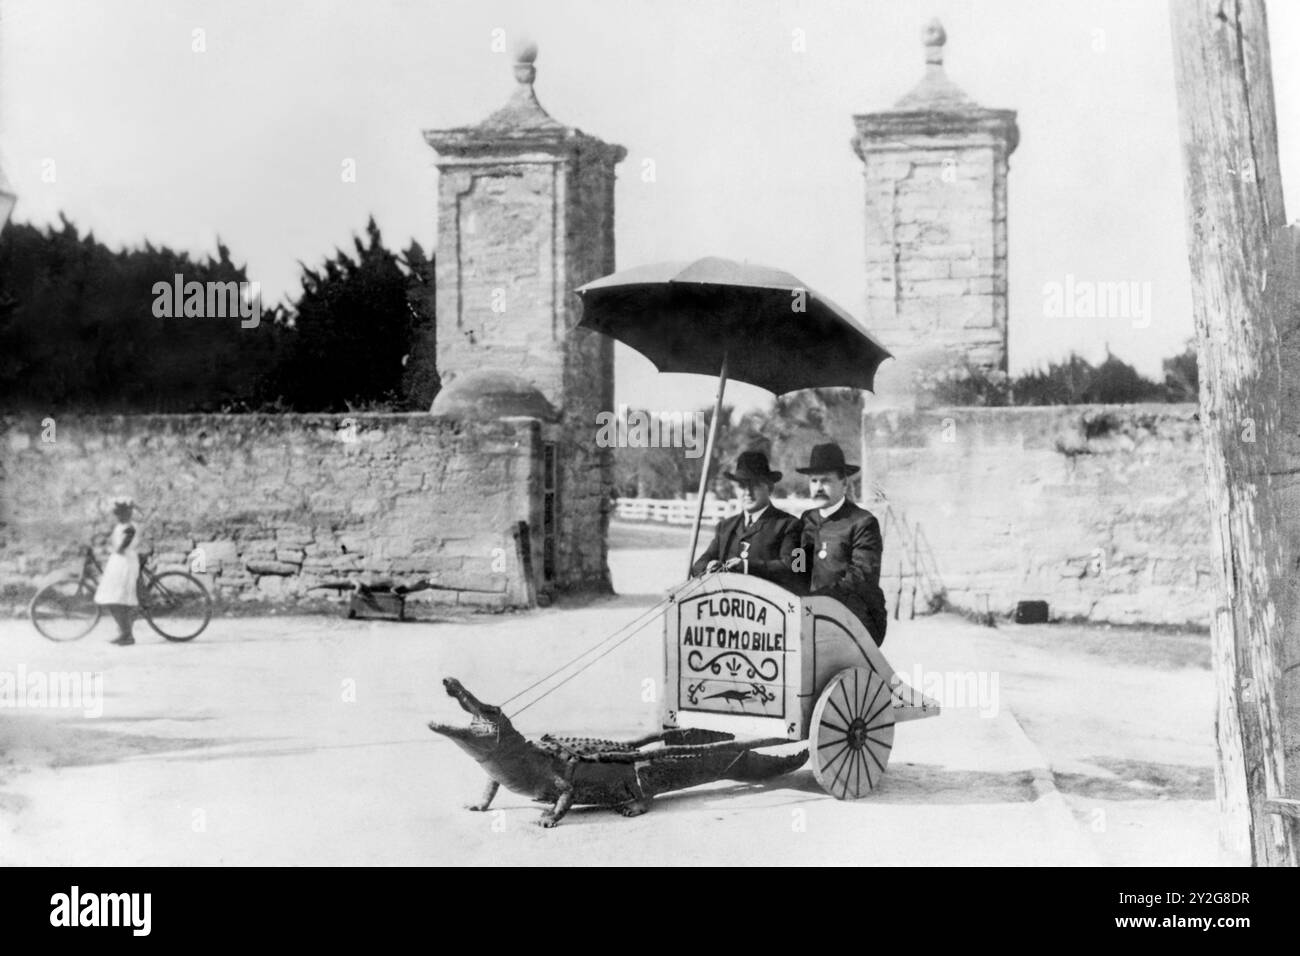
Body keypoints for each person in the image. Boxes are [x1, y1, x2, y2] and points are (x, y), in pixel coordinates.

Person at [797, 443, 888, 646]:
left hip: (855, 617)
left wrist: (817, 599)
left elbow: (861, 577)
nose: (818, 487)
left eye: (826, 481)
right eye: (814, 481)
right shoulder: (805, 520)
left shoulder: (862, 522)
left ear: (844, 483)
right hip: (810, 615)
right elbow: (798, 566)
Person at [690, 450, 803, 592]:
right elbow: (697, 565)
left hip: (769, 608)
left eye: (755, 485)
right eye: (742, 486)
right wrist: (709, 565)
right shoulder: (725, 527)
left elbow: (796, 569)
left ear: (769, 487)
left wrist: (748, 567)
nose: (748, 492)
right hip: (728, 608)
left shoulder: (790, 525)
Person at [94, 495, 141, 646]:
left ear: (128, 513)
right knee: (113, 598)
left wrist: (117, 548)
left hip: (124, 563)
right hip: (119, 562)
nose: (119, 515)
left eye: (122, 512)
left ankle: (127, 635)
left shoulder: (129, 527)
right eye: (117, 512)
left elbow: (123, 545)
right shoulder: (121, 526)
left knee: (115, 598)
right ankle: (125, 632)